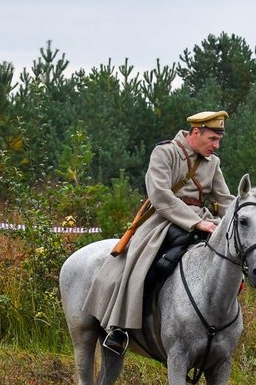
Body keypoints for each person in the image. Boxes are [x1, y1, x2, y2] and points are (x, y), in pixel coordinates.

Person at [84, 110, 236, 354]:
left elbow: (225, 199)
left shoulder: (213, 163)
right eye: (212, 139)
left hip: (204, 220)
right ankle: (122, 327)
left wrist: (239, 219)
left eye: (219, 140)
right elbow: (160, 194)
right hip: (164, 221)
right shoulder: (165, 152)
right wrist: (195, 223)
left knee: (227, 262)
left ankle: (220, 330)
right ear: (196, 132)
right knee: (146, 263)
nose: (216, 146)